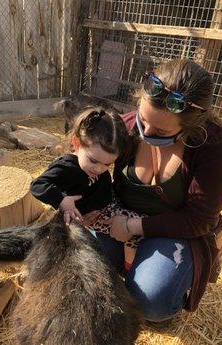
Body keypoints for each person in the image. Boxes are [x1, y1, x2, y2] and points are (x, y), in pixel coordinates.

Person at [83, 58, 222, 325]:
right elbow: (89, 166)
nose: (145, 133)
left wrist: (132, 226)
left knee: (150, 303)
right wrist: (83, 205)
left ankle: (166, 276)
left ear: (191, 125)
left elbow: (198, 220)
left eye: (161, 130)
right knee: (81, 266)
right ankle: (131, 267)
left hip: (176, 230)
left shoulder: (214, 145)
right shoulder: (126, 126)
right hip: (119, 218)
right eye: (143, 120)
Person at [30, 106, 144, 268]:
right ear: (76, 143)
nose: (99, 169)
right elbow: (38, 185)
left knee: (140, 221)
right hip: (97, 216)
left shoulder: (93, 165)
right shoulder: (67, 166)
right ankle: (128, 267)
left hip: (110, 204)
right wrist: (63, 201)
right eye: (93, 161)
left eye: (107, 164)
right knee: (136, 232)